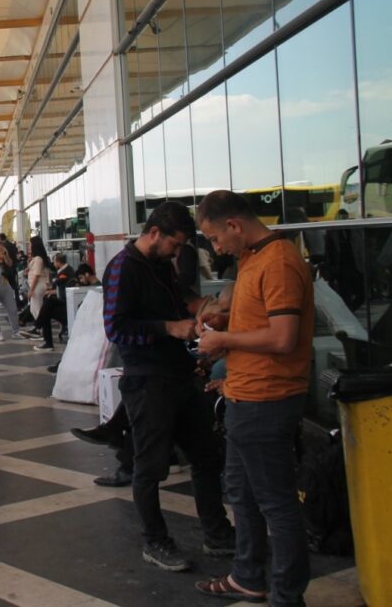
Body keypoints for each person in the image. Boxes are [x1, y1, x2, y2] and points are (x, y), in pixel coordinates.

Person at [195, 190, 315, 606]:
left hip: (268, 398)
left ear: (234, 225)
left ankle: (287, 594)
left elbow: (284, 338)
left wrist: (223, 338)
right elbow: (265, 318)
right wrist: (225, 319)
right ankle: (248, 576)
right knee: (242, 494)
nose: (216, 247)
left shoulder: (278, 261)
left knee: (276, 504)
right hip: (245, 395)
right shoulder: (253, 258)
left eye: (213, 238)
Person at [102, 201, 234, 572]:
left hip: (179, 373)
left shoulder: (161, 264)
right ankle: (155, 542)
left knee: (206, 456)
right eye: (174, 245)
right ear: (154, 233)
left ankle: (217, 534)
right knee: (150, 466)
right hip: (147, 380)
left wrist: (204, 310)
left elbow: (182, 301)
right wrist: (169, 327)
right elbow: (115, 328)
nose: (177, 253)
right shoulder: (122, 268)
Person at [0, 233, 22, 341]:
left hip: (4, 281)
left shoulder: (4, 249)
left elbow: (10, 263)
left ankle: (15, 331)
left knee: (12, 308)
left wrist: (4, 253)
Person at [25, 236, 51, 349]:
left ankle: (41, 331)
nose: (29, 246)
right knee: (35, 309)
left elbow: (36, 275)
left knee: (38, 310)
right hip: (37, 286)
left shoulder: (39, 259)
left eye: (30, 244)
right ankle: (40, 330)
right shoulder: (37, 258)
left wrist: (31, 290)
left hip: (38, 287)